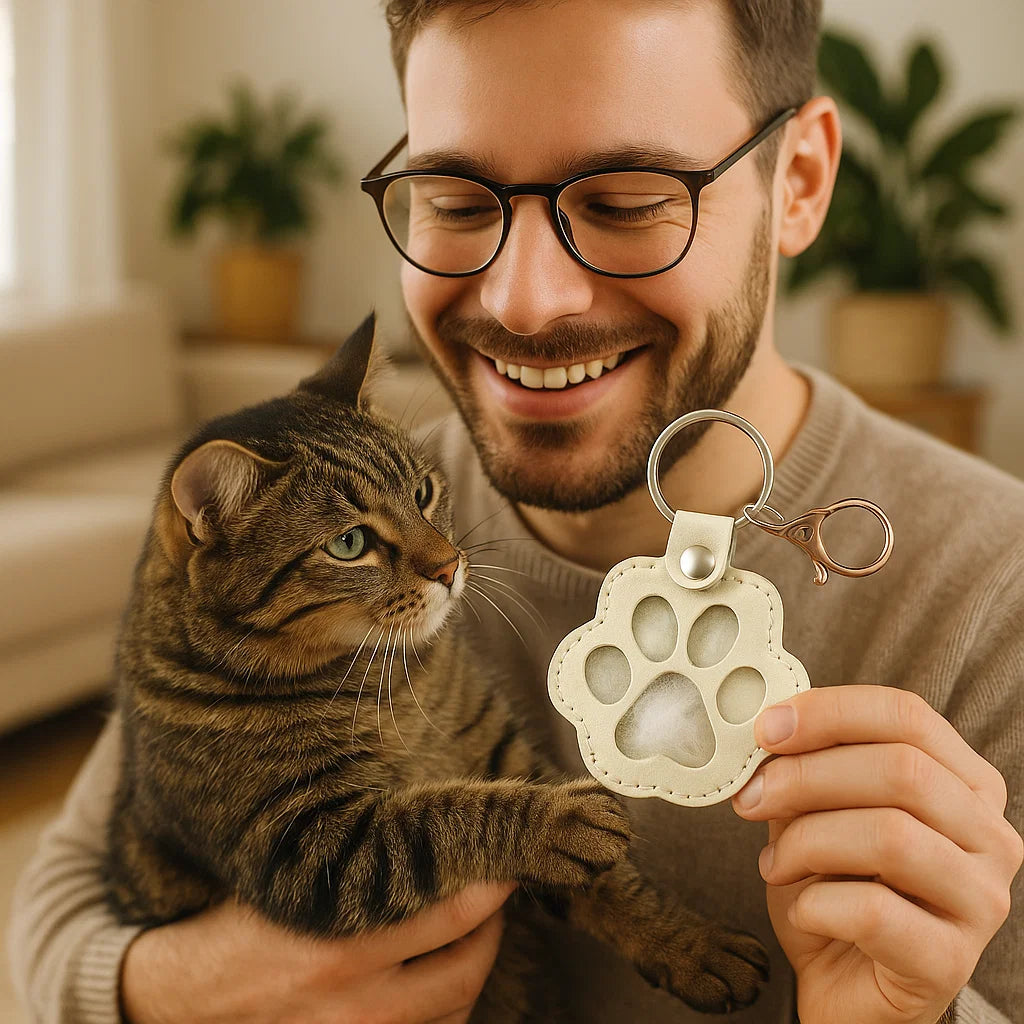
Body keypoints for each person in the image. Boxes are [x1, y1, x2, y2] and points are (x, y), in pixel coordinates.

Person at [8, 1, 1023, 1022]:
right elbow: (50, 924)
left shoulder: (993, 588)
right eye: (453, 200)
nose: (526, 300)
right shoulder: (359, 501)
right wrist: (183, 988)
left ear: (796, 183)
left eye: (626, 201)